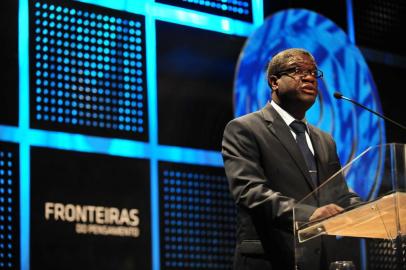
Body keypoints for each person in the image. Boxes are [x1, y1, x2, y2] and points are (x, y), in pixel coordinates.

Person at [222, 48, 359, 270]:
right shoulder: (244, 129)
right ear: (274, 82)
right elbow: (249, 191)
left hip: (320, 261)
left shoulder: (325, 140)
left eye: (314, 72)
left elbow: (339, 194)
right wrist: (308, 214)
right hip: (270, 259)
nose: (308, 77)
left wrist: (374, 211)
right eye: (297, 70)